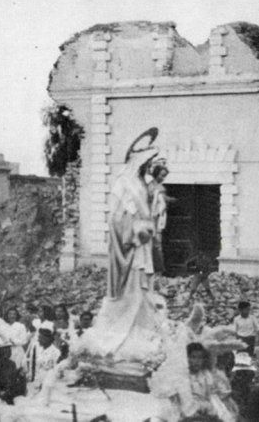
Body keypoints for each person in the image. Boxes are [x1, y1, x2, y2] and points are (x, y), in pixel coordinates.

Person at [83, 128, 163, 361]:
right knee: (129, 293)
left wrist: (150, 225)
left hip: (143, 247)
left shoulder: (142, 183)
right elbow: (117, 218)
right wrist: (137, 232)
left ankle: (141, 333)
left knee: (144, 292)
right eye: (148, 161)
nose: (151, 166)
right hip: (130, 247)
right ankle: (120, 337)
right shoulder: (124, 182)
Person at [182, 342, 237, 421]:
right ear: (187, 358)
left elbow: (215, 395)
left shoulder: (206, 375)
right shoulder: (183, 376)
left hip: (207, 409)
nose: (197, 361)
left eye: (200, 358)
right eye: (193, 357)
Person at [148, 163, 173, 276]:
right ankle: (154, 271)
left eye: (165, 176)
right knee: (153, 244)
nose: (163, 178)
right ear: (156, 173)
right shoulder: (151, 186)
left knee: (158, 244)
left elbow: (163, 202)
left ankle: (158, 271)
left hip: (158, 218)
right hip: (151, 218)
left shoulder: (159, 187)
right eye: (162, 175)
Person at [25, 328, 61, 395]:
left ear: (47, 339)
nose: (38, 340)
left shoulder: (56, 352)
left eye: (40, 338)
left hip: (49, 385)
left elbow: (55, 371)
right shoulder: (40, 350)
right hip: (38, 382)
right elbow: (37, 367)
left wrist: (45, 383)